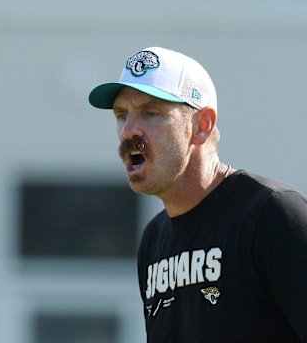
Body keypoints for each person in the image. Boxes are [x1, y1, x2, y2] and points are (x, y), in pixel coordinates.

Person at [88, 46, 307, 342]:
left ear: (202, 126)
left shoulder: (273, 213)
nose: (129, 130)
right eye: (121, 115)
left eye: (151, 113)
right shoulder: (154, 239)